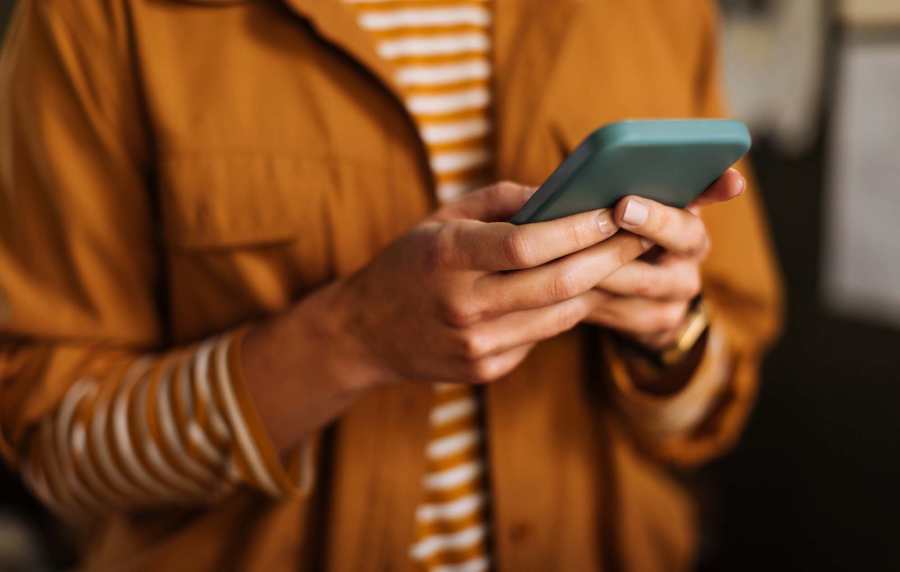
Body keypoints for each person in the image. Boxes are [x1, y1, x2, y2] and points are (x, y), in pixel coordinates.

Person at [0, 1, 782, 570]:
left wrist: (669, 336)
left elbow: (715, 402)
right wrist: (352, 338)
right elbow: (53, 446)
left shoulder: (661, 11)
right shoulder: (98, 20)